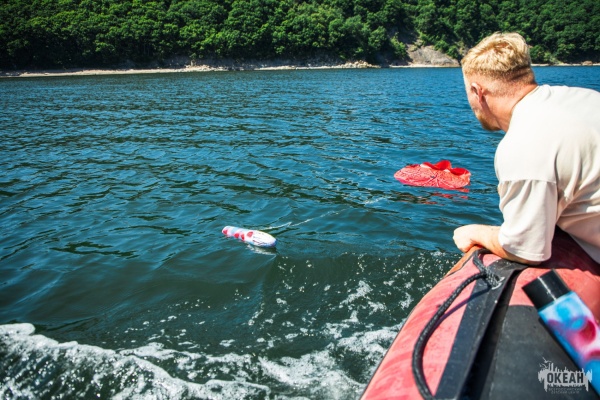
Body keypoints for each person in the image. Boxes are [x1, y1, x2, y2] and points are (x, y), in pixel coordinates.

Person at [453, 32, 600, 265]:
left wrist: (475, 232)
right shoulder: (586, 97)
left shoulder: (522, 145)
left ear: (477, 91)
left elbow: (525, 250)